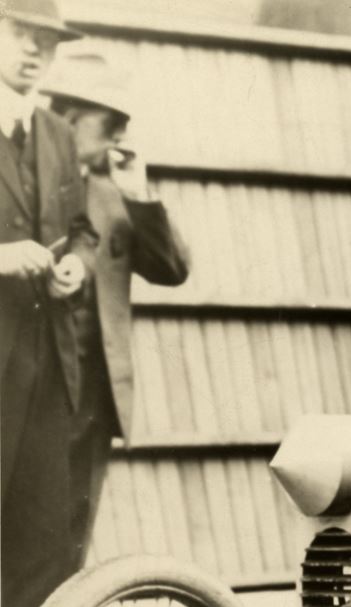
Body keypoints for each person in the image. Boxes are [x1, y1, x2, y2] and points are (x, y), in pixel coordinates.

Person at [42, 43, 191, 564]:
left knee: (68, 545)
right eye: (111, 126)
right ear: (71, 117)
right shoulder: (19, 180)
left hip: (91, 401)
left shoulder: (115, 194)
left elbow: (173, 269)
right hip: (23, 390)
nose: (120, 139)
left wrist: (141, 194)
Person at [0, 0, 96, 607]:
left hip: (47, 374)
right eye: (19, 34)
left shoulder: (60, 135)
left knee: (42, 536)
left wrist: (76, 265)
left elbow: (85, 227)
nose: (35, 52)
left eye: (46, 42)